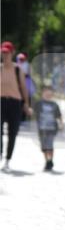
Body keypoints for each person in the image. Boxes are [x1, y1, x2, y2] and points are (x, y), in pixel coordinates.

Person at [1, 41, 32, 171]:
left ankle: (8, 159)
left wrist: (26, 104)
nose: (5, 55)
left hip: (15, 103)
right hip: (1, 102)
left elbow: (24, 88)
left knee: (12, 133)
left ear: (12, 53)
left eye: (7, 52)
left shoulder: (17, 69)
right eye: (3, 52)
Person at [35, 85, 62, 172]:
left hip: (52, 129)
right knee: (44, 147)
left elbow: (59, 115)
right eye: (46, 92)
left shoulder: (54, 105)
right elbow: (32, 112)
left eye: (50, 93)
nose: (47, 94)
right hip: (41, 129)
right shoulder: (38, 104)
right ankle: (47, 160)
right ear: (42, 93)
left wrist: (61, 124)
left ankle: (50, 161)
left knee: (49, 145)